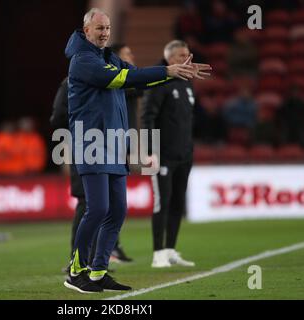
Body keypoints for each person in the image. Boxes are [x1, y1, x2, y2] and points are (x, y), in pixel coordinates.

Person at [63, 8, 209, 293]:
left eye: (107, 28)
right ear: (86, 30)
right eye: (99, 28)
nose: (105, 32)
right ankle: (75, 270)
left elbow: (137, 76)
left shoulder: (107, 57)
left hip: (114, 144)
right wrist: (167, 70)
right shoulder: (82, 60)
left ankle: (98, 272)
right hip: (91, 143)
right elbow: (120, 79)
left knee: (117, 210)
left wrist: (171, 73)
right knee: (98, 209)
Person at [50, 77, 133, 273]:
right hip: (84, 149)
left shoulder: (108, 82)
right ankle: (77, 260)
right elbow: (58, 118)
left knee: (106, 206)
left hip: (108, 149)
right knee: (87, 202)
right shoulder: (71, 83)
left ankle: (96, 260)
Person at [141, 40, 211, 268]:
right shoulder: (158, 81)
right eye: (181, 56)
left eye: (188, 54)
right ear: (170, 59)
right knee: (163, 202)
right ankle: (157, 253)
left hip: (183, 155)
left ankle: (170, 249)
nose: (186, 59)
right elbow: (147, 117)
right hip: (162, 155)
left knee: (178, 202)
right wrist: (149, 150)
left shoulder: (187, 83)